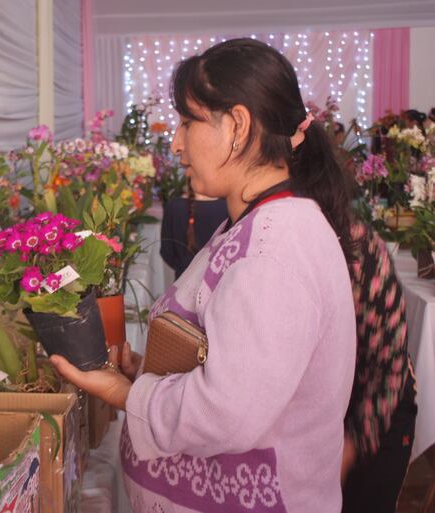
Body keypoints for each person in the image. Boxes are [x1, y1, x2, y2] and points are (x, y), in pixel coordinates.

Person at [51, 38, 358, 513]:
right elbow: (238, 361)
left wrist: (126, 393)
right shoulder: (256, 223)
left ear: (237, 126)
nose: (175, 142)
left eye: (187, 122)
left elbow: (228, 413)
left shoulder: (274, 250)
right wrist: (155, 371)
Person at [341, 222, 417, 513]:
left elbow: (388, 370)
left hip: (373, 414)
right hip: (320, 425)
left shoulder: (357, 245)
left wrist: (350, 448)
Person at [160, 179, 228, 279]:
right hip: (216, 284)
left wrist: (183, 268)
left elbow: (166, 252)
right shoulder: (227, 208)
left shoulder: (173, 205)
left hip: (182, 282)